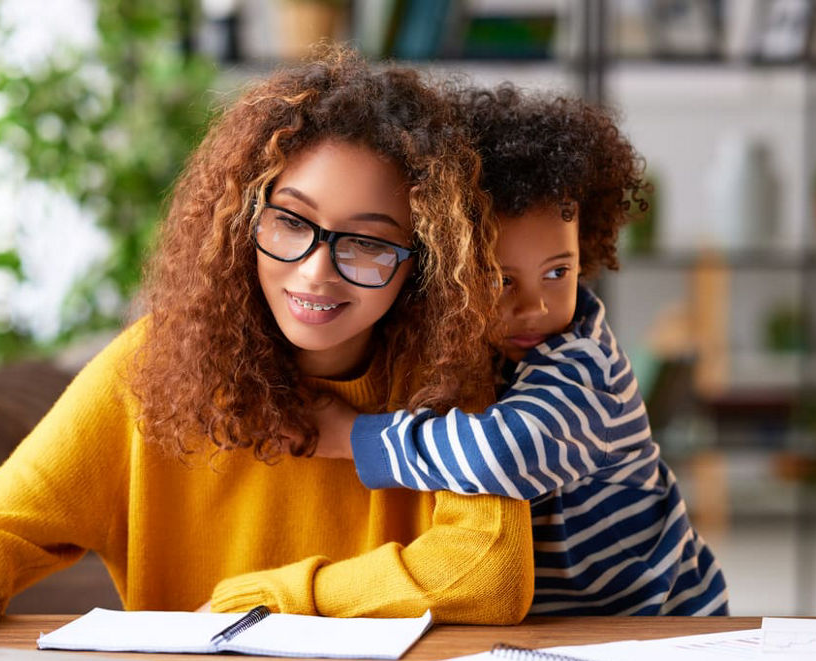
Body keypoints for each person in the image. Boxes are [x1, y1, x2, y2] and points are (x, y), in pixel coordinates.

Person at [0, 48, 535, 635]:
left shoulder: (451, 376)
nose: (316, 271)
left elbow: (488, 573)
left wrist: (270, 600)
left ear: (422, 261)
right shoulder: (153, 363)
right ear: (245, 219)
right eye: (291, 222)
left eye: (368, 243)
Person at [310, 87, 729, 616]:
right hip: (560, 628)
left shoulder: (584, 370)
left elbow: (504, 453)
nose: (534, 304)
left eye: (559, 272)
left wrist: (352, 437)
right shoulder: (478, 354)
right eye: (497, 279)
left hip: (658, 622)